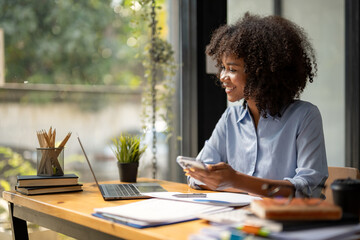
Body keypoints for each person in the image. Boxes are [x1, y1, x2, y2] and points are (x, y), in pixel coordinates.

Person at [185, 13, 328, 198]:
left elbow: (308, 189)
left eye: (232, 69)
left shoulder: (305, 116)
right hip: (241, 217)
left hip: (288, 222)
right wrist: (224, 181)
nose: (222, 77)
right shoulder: (231, 118)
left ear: (260, 72)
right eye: (222, 67)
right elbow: (196, 177)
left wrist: (235, 180)